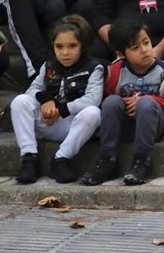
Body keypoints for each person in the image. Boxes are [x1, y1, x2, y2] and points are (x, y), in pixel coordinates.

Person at [85, 19, 164, 187]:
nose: (144, 50)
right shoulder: (116, 71)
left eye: (146, 43)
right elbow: (105, 98)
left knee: (145, 103)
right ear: (122, 54)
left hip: (154, 126)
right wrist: (126, 104)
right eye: (135, 48)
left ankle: (142, 161)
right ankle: (107, 160)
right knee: (111, 102)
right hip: (125, 126)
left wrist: (150, 100)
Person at [11, 12, 105, 185]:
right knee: (20, 101)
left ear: (82, 46)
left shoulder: (94, 67)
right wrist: (46, 100)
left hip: (72, 125)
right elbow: (34, 89)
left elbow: (92, 99)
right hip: (48, 121)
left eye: (72, 46)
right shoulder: (49, 65)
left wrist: (61, 110)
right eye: (59, 47)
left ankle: (61, 159)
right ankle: (29, 158)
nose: (65, 53)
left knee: (93, 113)